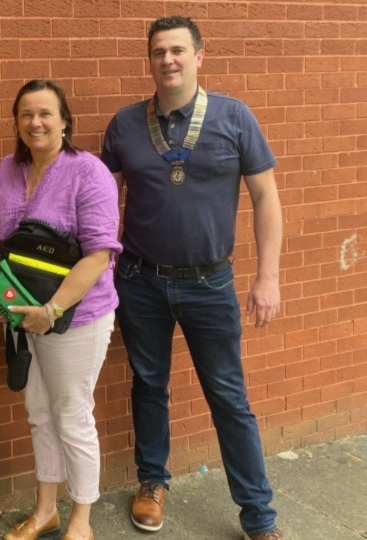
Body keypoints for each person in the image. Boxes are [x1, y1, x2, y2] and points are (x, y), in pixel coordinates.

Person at [101, 15, 285, 540]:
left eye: (178, 50)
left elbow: (266, 197)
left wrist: (267, 277)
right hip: (140, 280)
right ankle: (152, 482)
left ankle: (259, 517)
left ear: (200, 56)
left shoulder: (234, 116)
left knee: (229, 396)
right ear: (150, 60)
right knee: (149, 384)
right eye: (159, 51)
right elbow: (99, 197)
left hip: (210, 283)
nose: (168, 60)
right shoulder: (125, 124)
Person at [0, 79, 121, 540]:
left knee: (72, 413)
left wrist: (53, 309)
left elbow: (100, 253)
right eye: (26, 114)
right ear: (16, 122)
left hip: (75, 318)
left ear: (65, 121)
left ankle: (81, 519)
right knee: (39, 412)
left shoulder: (88, 172)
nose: (35, 122)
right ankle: (46, 511)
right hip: (23, 316)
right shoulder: (5, 170)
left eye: (45, 113)